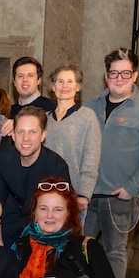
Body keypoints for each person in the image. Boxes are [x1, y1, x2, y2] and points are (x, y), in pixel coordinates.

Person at [84, 48, 139, 278]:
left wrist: (132, 188)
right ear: (106, 76)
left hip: (120, 197)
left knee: (114, 253)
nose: (119, 78)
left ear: (135, 75)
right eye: (114, 73)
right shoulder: (91, 106)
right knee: (81, 252)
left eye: (125, 73)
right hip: (88, 196)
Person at [0, 106, 70, 249]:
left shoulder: (56, 166)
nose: (25, 139)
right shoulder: (3, 159)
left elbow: (61, 213)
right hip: (9, 223)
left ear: (43, 135)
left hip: (44, 232)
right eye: (21, 132)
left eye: (32, 132)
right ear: (13, 135)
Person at [45, 64, 101, 220]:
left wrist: (84, 194)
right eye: (60, 81)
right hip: (45, 193)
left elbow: (91, 158)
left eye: (70, 81)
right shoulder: (44, 118)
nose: (64, 86)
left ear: (78, 87)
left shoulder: (87, 117)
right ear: (53, 86)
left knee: (70, 242)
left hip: (73, 195)